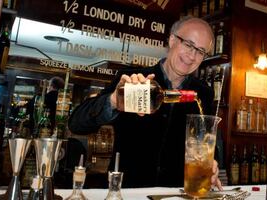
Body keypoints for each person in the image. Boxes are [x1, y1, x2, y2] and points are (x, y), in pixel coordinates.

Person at [68, 16, 222, 189]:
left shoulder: (204, 93)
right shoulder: (133, 80)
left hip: (177, 192)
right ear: (172, 40)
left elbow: (209, 143)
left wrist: (212, 163)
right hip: (128, 190)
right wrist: (113, 101)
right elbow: (76, 124)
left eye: (200, 51)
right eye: (188, 45)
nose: (192, 56)